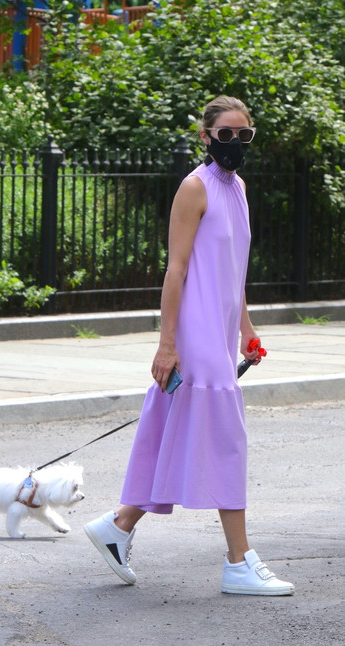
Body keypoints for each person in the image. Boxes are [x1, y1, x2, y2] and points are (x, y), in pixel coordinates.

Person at [84, 96, 294, 596]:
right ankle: (239, 562)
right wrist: (166, 344)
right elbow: (176, 270)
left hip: (218, 333)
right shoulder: (193, 188)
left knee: (176, 433)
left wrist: (246, 328)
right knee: (226, 440)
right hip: (194, 335)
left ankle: (118, 526)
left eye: (245, 136)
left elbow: (233, 270)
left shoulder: (238, 187)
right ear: (205, 136)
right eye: (226, 135)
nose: (236, 144)